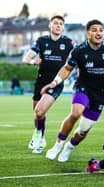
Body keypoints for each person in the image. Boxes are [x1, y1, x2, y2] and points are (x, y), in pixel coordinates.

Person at [42, 19, 104, 162]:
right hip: (83, 87)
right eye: (94, 30)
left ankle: (69, 147)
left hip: (99, 93)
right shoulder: (79, 50)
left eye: (100, 30)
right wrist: (55, 82)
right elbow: (67, 68)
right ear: (88, 33)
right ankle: (58, 144)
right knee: (75, 113)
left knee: (83, 129)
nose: (98, 33)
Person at [22, 15, 75, 154]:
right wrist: (33, 62)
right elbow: (26, 58)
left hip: (56, 83)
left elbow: (77, 60)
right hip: (40, 81)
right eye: (55, 23)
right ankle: (42, 139)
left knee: (40, 111)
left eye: (61, 24)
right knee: (37, 114)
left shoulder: (69, 42)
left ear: (63, 27)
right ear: (50, 26)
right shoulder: (41, 41)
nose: (58, 26)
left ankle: (38, 134)